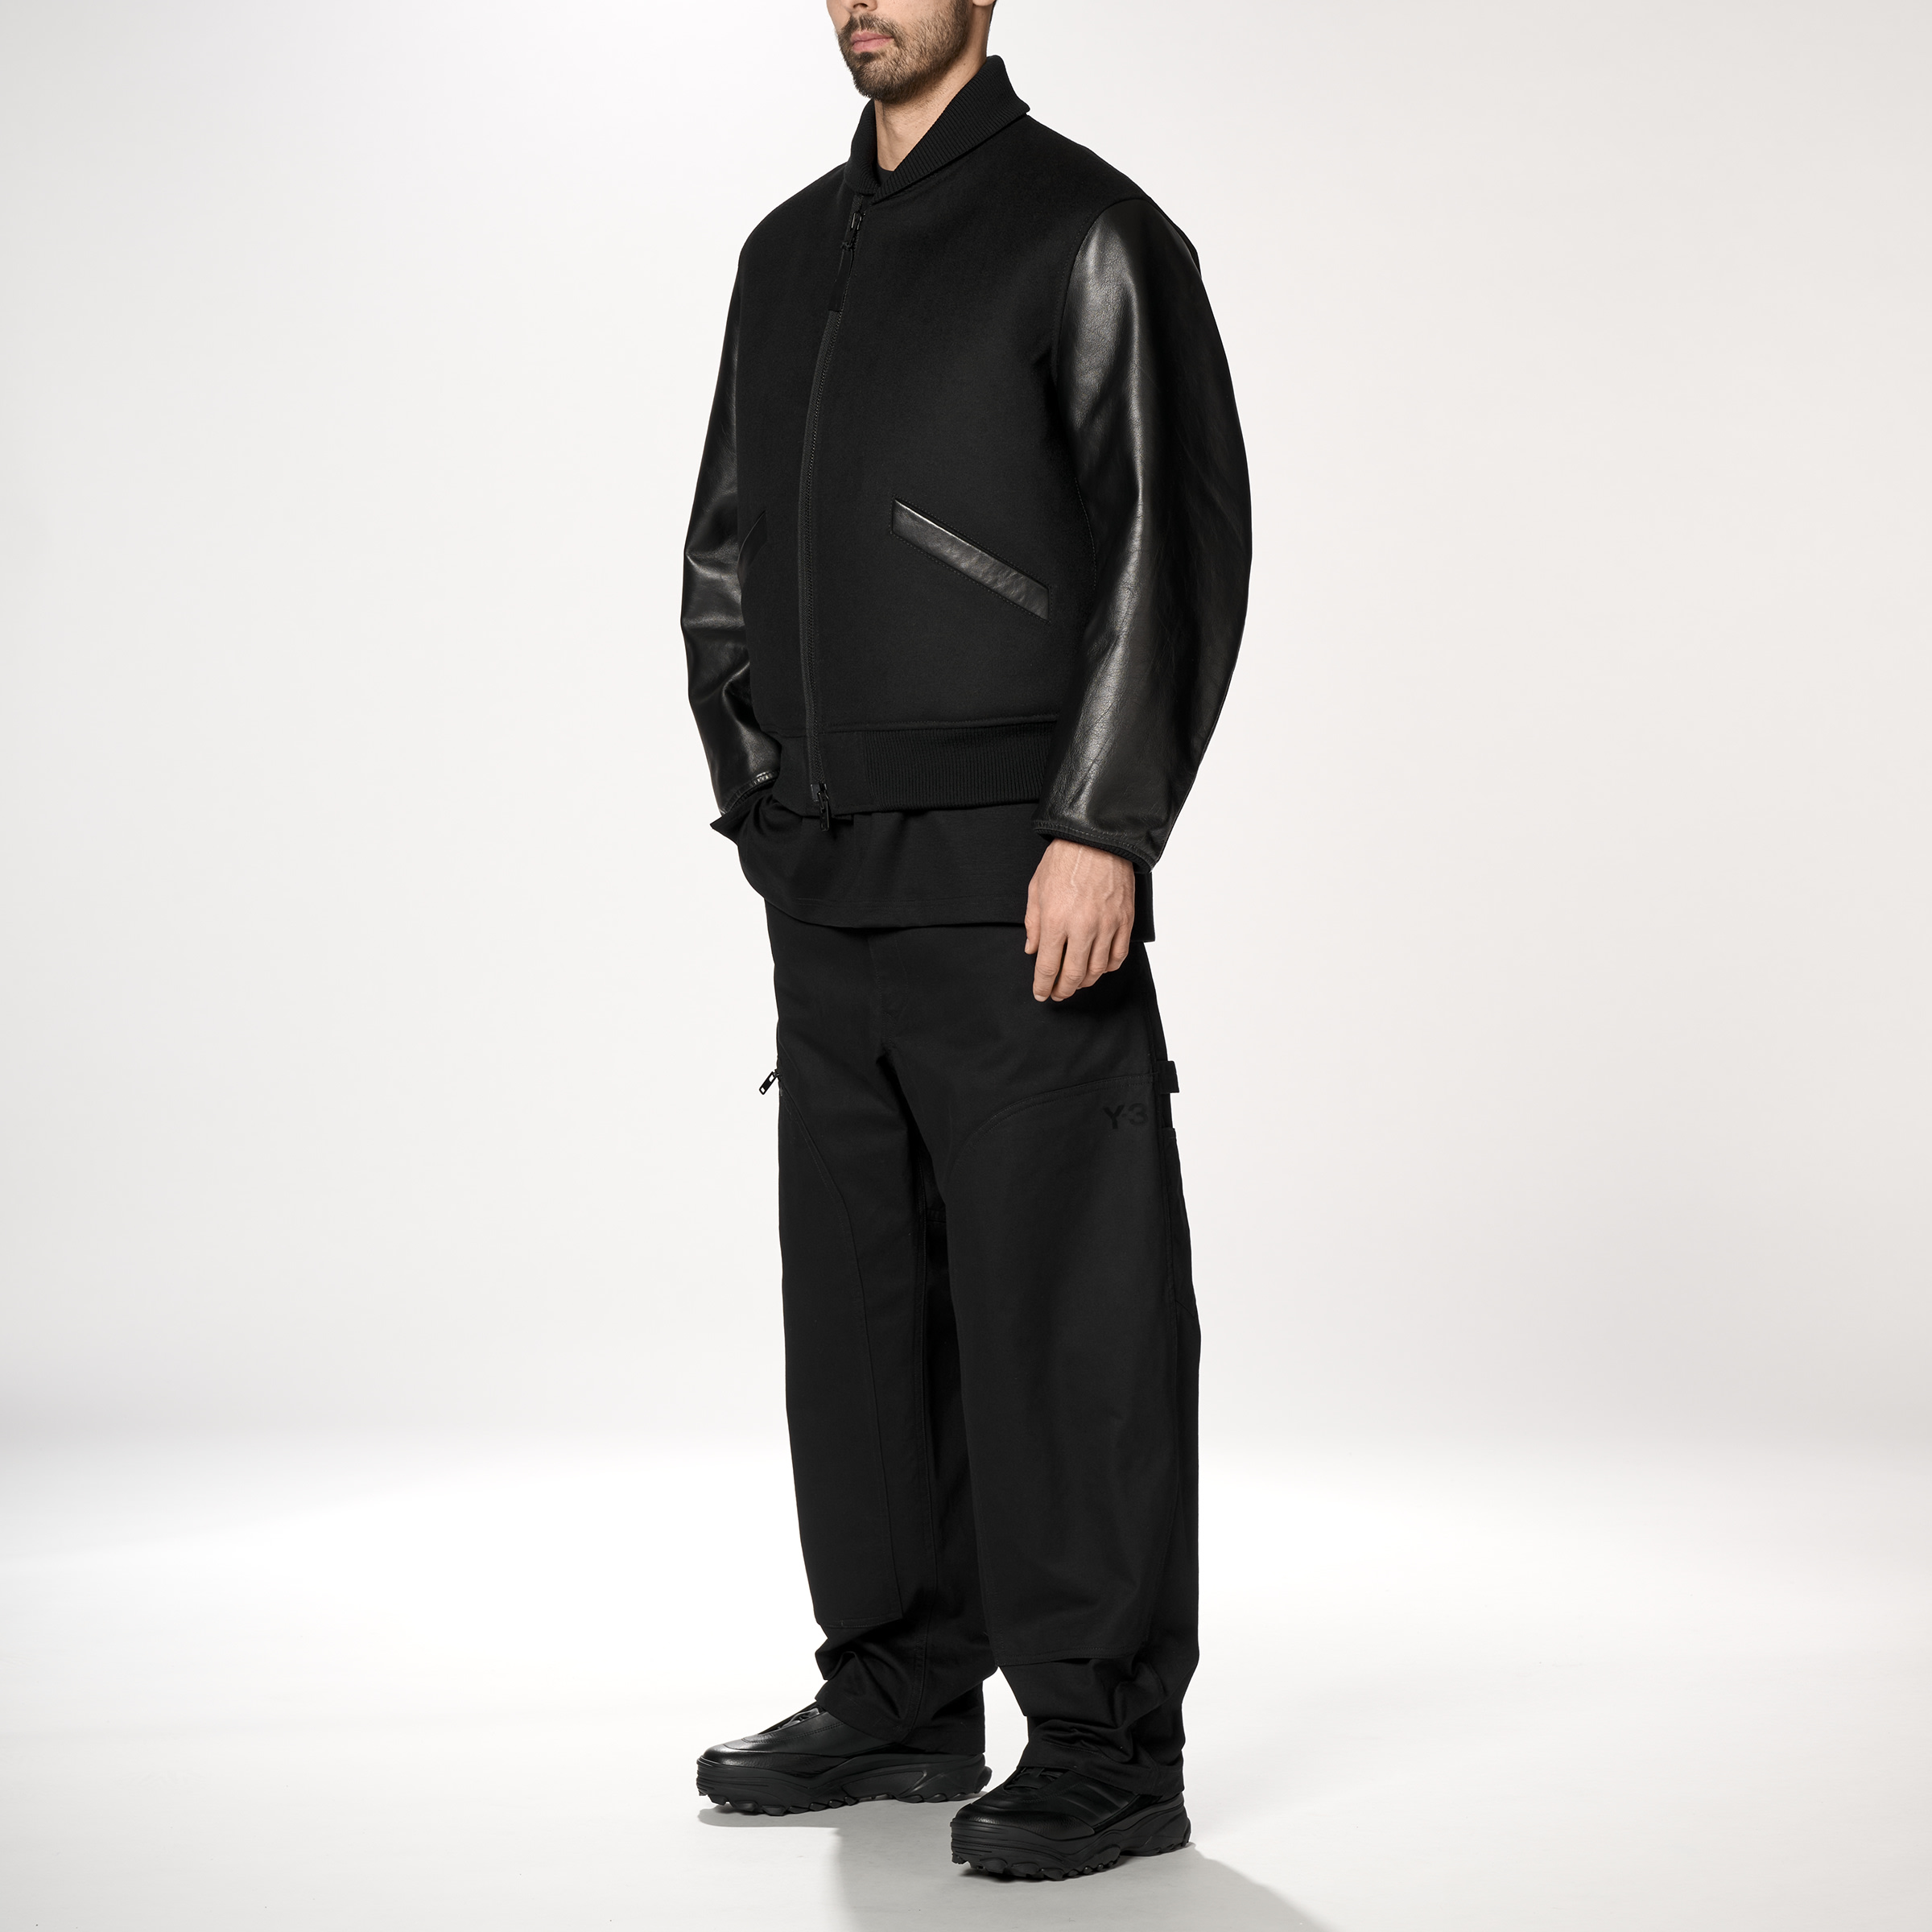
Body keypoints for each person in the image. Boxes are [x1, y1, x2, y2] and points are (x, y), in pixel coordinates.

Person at [679, 0, 1249, 1882]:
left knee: (1063, 1310)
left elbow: (1172, 537)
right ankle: (901, 1693)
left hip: (1022, 862)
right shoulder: (787, 252)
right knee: (861, 1314)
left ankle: (1104, 1743)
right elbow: (726, 552)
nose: (865, 1)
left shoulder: (1089, 233)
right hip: (829, 875)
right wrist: (761, 798)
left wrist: (1103, 822)